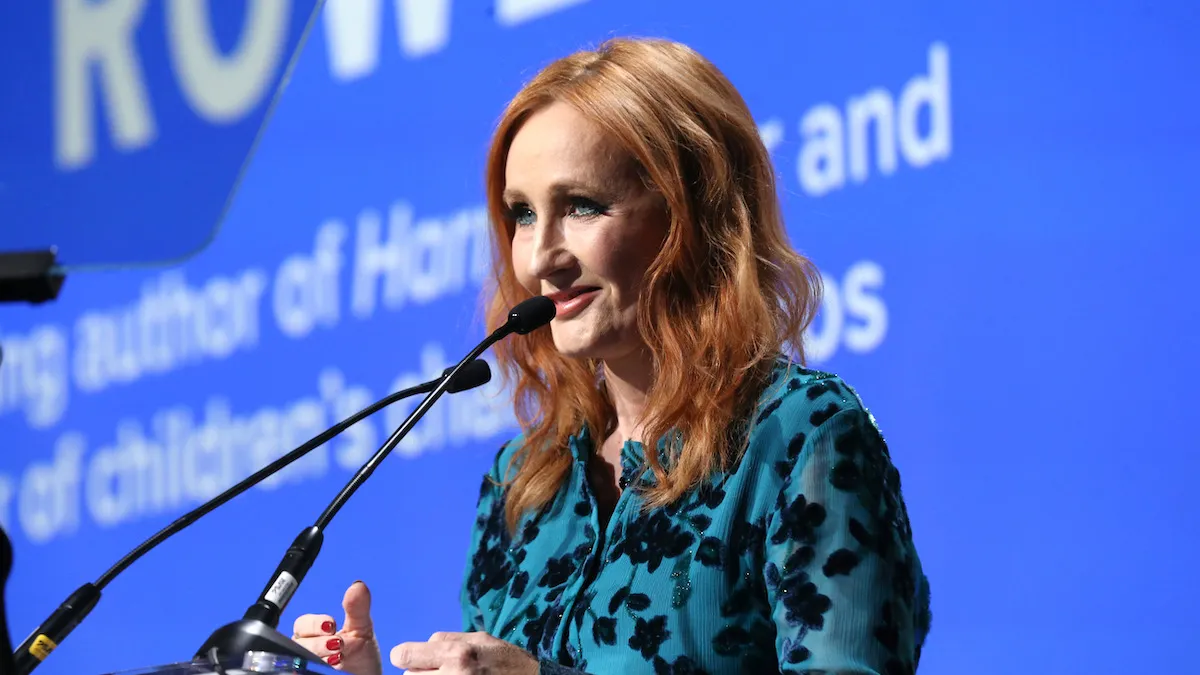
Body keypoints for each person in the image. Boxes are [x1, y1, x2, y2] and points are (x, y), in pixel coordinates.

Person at [291, 36, 931, 674]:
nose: (543, 258)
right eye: (522, 215)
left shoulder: (799, 437)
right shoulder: (523, 483)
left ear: (694, 211)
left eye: (582, 207)